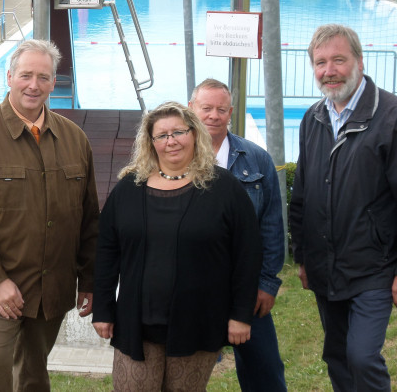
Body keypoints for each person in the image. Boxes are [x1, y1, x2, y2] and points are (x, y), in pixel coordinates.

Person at [0, 39, 99, 391]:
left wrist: (89, 280)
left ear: (53, 82)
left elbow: (90, 220)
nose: (34, 85)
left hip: (51, 290)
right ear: (10, 76)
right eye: (26, 75)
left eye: (43, 77)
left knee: (33, 374)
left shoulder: (75, 139)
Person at [92, 101, 262, 391]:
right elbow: (107, 252)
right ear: (151, 142)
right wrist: (103, 309)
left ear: (194, 134)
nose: (171, 141)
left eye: (179, 132)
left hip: (198, 320)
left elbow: (247, 255)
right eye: (162, 135)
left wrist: (240, 315)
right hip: (137, 323)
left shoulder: (223, 188)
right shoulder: (128, 189)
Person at [290, 23, 397, 392]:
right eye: (320, 62)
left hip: (375, 265)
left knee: (362, 355)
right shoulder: (313, 118)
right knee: (336, 354)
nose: (329, 70)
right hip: (325, 265)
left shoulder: (391, 116)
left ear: (359, 62)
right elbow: (301, 193)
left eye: (338, 60)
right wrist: (302, 256)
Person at [189, 78, 287, 392]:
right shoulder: (172, 154)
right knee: (187, 377)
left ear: (231, 112)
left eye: (221, 109)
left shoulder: (256, 159)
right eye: (206, 108)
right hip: (193, 293)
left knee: (266, 374)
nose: (213, 116)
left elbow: (272, 226)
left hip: (247, 290)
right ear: (192, 109)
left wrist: (267, 284)